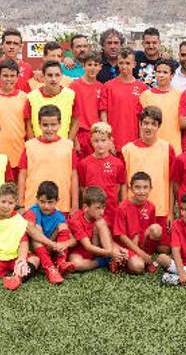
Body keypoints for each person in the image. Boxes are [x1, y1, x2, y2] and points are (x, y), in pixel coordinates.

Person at [121, 106, 176, 254]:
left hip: (159, 208)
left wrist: (170, 212)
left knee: (165, 248)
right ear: (140, 124)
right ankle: (140, 249)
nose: (148, 127)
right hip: (135, 209)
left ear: (158, 126)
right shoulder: (128, 150)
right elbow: (123, 184)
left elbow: (171, 181)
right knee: (135, 243)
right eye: (145, 123)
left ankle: (143, 247)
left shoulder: (167, 148)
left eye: (153, 124)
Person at [17, 105, 80, 214]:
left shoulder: (68, 146)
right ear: (39, 125)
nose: (49, 129)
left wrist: (74, 206)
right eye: (45, 125)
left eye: (53, 125)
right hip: (32, 205)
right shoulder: (29, 146)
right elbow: (22, 176)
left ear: (60, 124)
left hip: (61, 205)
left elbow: (74, 177)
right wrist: (20, 204)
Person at [77, 121, 126, 228]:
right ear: (91, 141)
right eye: (96, 141)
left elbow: (118, 187)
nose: (100, 144)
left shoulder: (118, 163)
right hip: (91, 213)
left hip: (111, 211)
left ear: (110, 141)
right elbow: (82, 188)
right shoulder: (83, 164)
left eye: (103, 140)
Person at [23, 181, 75, 284]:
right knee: (36, 231)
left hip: (50, 248)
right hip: (33, 251)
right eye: (42, 202)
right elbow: (30, 231)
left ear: (57, 201)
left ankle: (61, 262)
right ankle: (50, 268)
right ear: (37, 199)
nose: (46, 206)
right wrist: (52, 244)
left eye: (50, 202)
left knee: (63, 226)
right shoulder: (32, 211)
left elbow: (74, 238)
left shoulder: (59, 215)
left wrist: (62, 245)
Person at [100, 48, 148, 153]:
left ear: (134, 64)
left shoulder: (142, 88)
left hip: (134, 142)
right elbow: (103, 114)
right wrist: (108, 139)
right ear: (117, 63)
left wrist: (142, 141)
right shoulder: (108, 86)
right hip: (114, 142)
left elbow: (143, 118)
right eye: (121, 63)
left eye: (127, 63)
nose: (124, 66)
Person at [113, 172, 163, 274]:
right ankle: (125, 261)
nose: (142, 191)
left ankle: (146, 257)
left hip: (142, 243)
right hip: (127, 245)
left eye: (145, 187)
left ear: (150, 189)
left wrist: (144, 252)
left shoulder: (151, 207)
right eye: (137, 187)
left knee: (157, 229)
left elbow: (150, 233)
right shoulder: (123, 207)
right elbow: (121, 236)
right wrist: (140, 253)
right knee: (138, 267)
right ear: (131, 189)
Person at [68, 186, 119, 272]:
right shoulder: (75, 220)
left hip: (99, 249)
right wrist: (110, 253)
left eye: (103, 207)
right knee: (76, 264)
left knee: (100, 222)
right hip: (81, 251)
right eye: (98, 208)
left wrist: (120, 250)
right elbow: (88, 246)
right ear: (85, 207)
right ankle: (103, 261)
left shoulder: (99, 217)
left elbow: (110, 240)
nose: (102, 212)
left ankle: (112, 259)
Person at [25, 60, 79, 140]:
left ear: (61, 76)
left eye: (57, 75)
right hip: (39, 148)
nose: (53, 79)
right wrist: (33, 144)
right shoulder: (31, 97)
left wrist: (69, 143)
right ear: (43, 76)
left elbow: (75, 121)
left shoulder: (71, 95)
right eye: (50, 75)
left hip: (62, 148)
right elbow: (28, 124)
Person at [140, 58, 183, 154]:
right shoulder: (146, 95)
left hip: (173, 146)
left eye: (165, 72)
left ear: (172, 75)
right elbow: (141, 123)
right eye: (158, 72)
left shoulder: (179, 96)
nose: (161, 75)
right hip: (151, 146)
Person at [69, 52, 104, 156]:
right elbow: (70, 114)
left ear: (100, 67)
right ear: (83, 66)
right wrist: (74, 139)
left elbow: (102, 113)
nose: (92, 68)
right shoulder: (74, 86)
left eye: (95, 65)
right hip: (79, 133)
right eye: (89, 65)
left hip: (96, 134)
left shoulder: (102, 88)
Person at [0, 28, 33, 93]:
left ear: (20, 47)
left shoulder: (27, 69)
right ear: (2, 45)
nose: (11, 47)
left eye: (15, 44)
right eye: (8, 43)